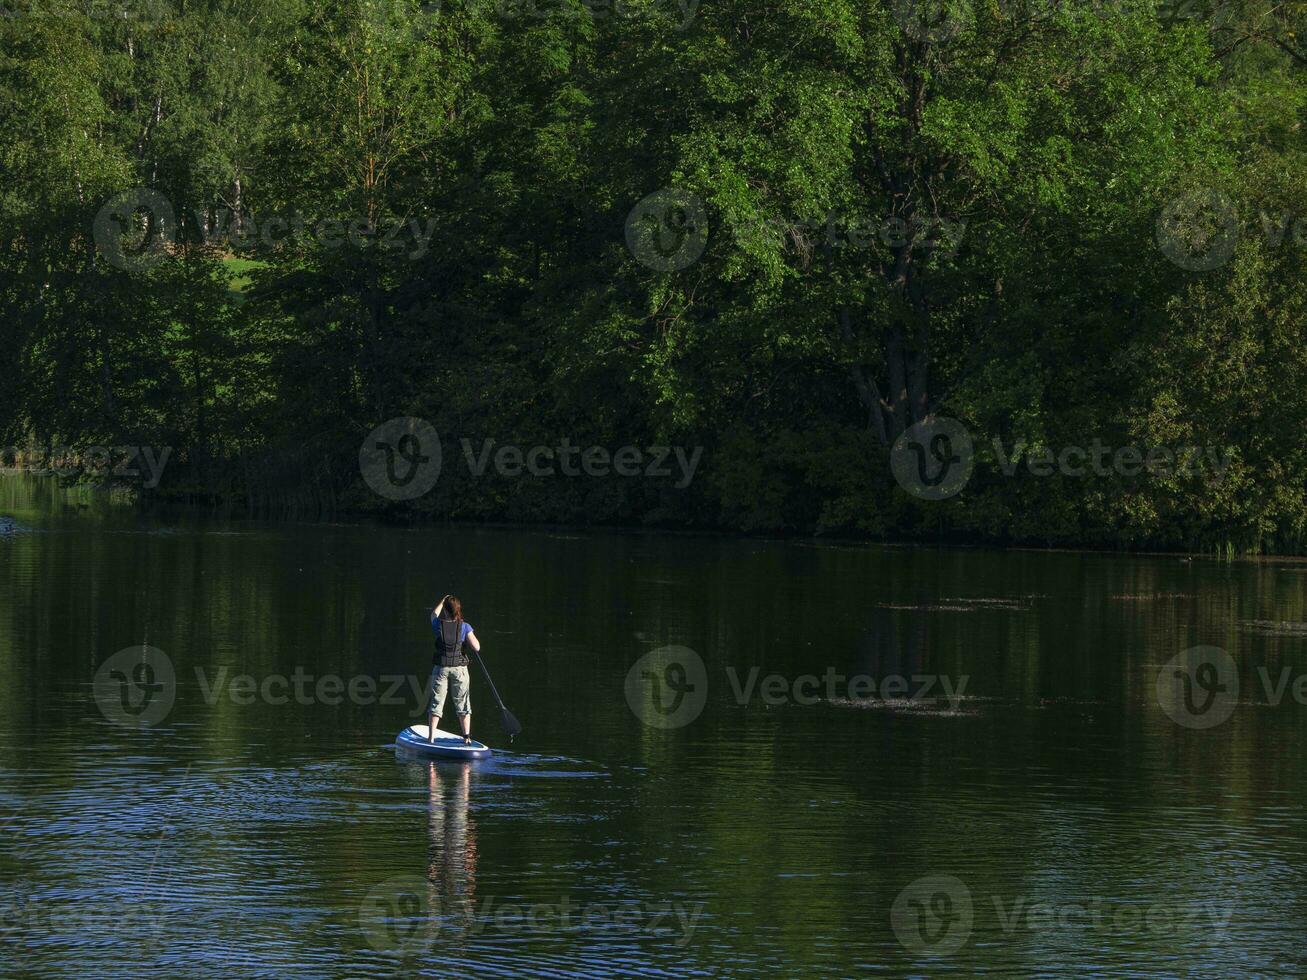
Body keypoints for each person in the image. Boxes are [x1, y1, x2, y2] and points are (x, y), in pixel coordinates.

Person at [428, 594, 479, 745]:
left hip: (441, 668)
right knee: (463, 703)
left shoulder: (438, 625)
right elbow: (477, 647)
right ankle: (467, 738)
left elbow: (433, 615)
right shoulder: (465, 626)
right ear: (458, 610)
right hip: (460, 669)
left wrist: (442, 601)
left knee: (437, 702)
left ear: (445, 610)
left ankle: (431, 738)